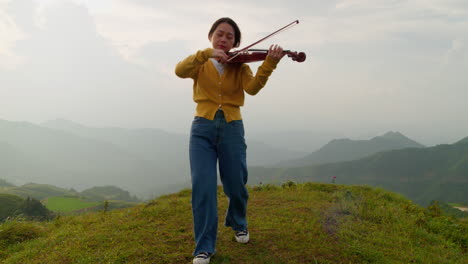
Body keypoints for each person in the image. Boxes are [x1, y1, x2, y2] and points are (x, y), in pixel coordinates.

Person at [175, 17, 284, 264]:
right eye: (220, 34)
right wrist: (206, 53)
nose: (224, 39)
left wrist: (269, 64)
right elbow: (179, 70)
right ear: (211, 36)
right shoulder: (200, 62)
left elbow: (253, 88)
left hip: (233, 128)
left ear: (236, 42)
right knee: (203, 187)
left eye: (230, 37)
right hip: (202, 128)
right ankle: (204, 247)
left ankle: (238, 222)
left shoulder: (240, 66)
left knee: (236, 183)